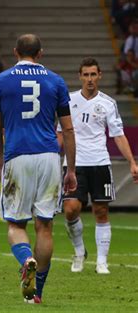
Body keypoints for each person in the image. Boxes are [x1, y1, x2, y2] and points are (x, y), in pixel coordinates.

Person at [0, 34, 77, 304]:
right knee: (45, 226)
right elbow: (68, 128)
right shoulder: (56, 81)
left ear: (15, 52)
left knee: (16, 223)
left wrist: (0, 162)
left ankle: (26, 258)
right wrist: (70, 168)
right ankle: (36, 293)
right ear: (40, 53)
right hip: (49, 157)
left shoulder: (0, 81)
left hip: (18, 155)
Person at [57, 57, 138, 274]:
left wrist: (132, 162)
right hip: (74, 164)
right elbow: (60, 133)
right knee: (71, 210)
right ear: (80, 76)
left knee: (101, 211)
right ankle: (79, 251)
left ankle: (102, 261)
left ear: (99, 76)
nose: (90, 79)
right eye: (86, 75)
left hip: (100, 163)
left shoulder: (108, 103)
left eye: (93, 74)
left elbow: (118, 135)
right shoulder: (68, 101)